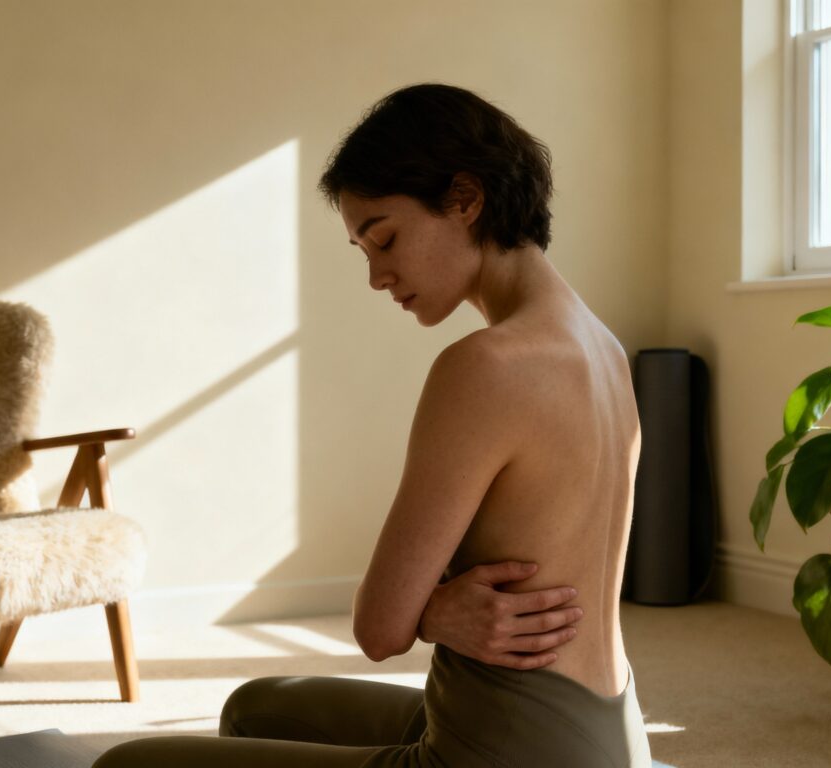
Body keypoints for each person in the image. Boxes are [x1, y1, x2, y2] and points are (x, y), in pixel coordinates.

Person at [94, 83, 651, 768]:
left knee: (126, 765)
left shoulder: (485, 366)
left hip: (499, 754)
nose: (377, 275)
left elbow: (379, 628)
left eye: (384, 238)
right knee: (257, 705)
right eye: (364, 250)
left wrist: (426, 609)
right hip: (604, 737)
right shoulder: (602, 348)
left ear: (466, 199)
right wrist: (436, 608)